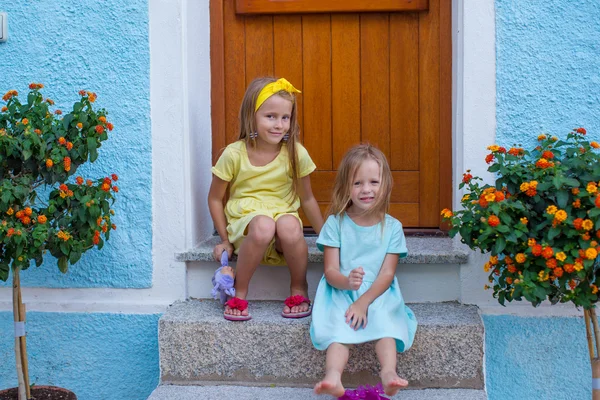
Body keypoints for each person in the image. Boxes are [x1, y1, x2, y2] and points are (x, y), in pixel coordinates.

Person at [208, 77, 323, 321]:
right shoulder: (234, 154)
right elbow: (215, 199)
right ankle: (239, 291)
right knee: (263, 225)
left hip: (282, 216)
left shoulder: (295, 153)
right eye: (270, 116)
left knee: (291, 226)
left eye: (285, 117)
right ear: (252, 116)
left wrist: (326, 237)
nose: (279, 125)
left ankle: (299, 287)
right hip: (248, 222)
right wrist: (225, 239)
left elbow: (308, 198)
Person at [310, 144, 417, 397]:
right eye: (357, 183)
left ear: (385, 184)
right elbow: (330, 270)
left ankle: (389, 373)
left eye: (373, 182)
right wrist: (347, 282)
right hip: (341, 290)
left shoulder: (392, 227)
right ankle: (333, 376)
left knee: (386, 325)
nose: (366, 189)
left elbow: (387, 274)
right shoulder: (335, 224)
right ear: (346, 186)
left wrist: (365, 302)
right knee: (339, 328)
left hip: (378, 292)